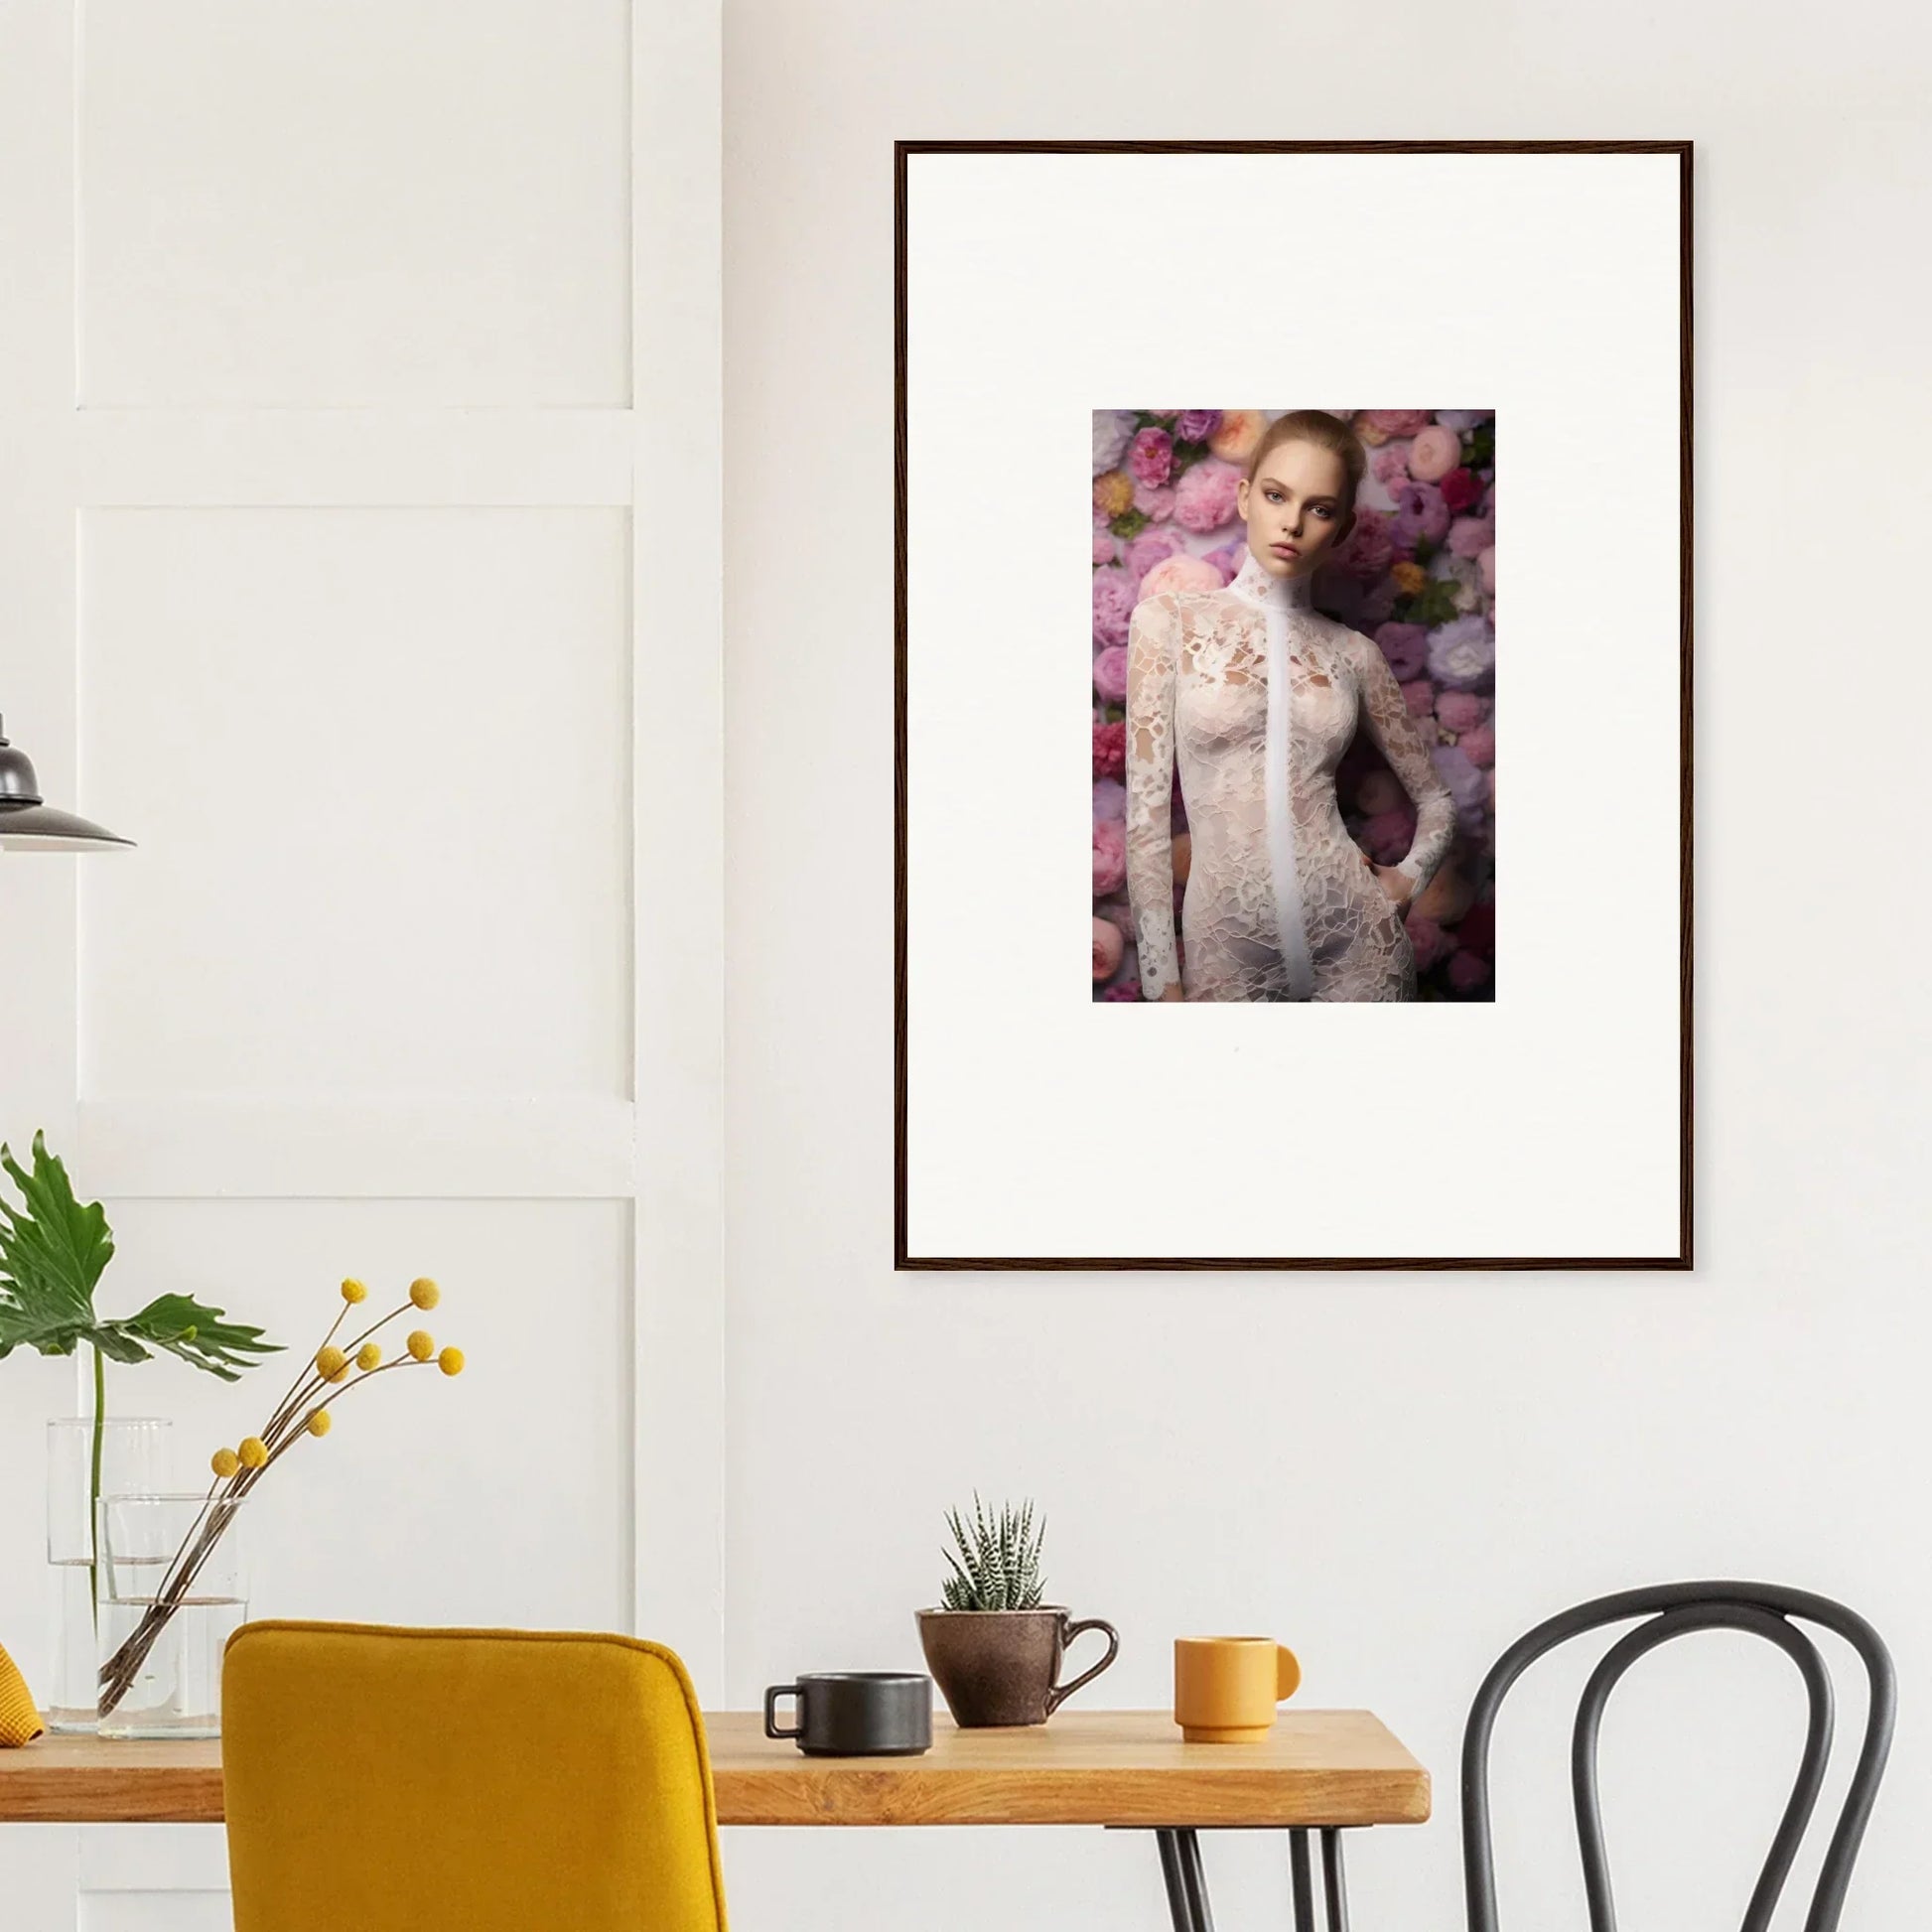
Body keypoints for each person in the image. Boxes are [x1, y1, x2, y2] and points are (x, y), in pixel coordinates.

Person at [1124, 410, 1455, 1002]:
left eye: (1320, 508)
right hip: (1226, 949)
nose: (1294, 523)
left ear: (1344, 527)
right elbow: (1146, 825)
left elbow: (1437, 800)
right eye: (1278, 496)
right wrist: (1160, 986)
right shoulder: (1168, 624)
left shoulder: (1356, 654)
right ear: (1246, 497)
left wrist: (1409, 879)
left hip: (1358, 939)